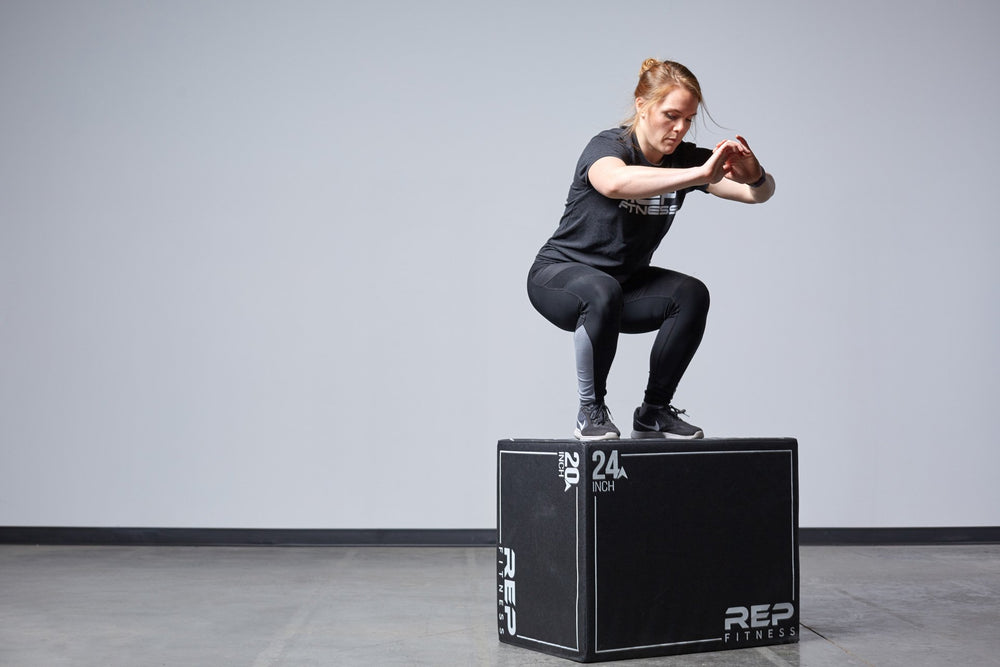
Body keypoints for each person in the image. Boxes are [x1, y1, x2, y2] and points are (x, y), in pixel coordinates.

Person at [527, 58, 775, 441]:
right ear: (642, 105)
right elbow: (613, 182)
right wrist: (699, 175)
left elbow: (755, 195)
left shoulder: (685, 160)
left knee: (690, 294)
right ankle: (590, 412)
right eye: (671, 115)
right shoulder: (610, 145)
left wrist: (756, 175)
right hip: (560, 277)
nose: (678, 129)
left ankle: (654, 412)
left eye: (688, 120)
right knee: (599, 288)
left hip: (623, 285)